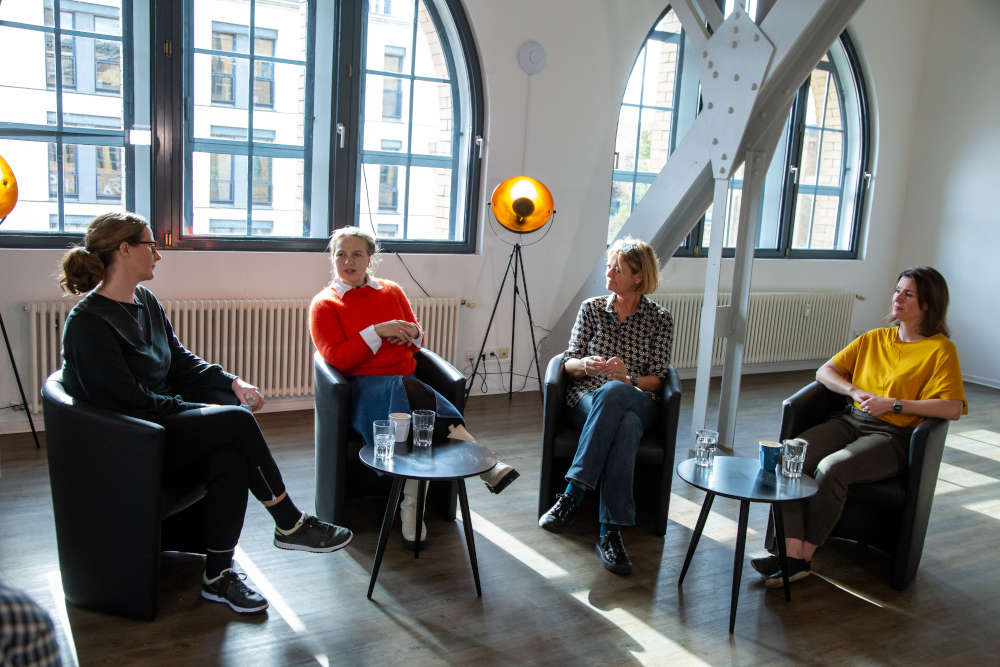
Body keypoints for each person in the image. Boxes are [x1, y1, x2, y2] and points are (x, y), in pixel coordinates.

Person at [57, 212, 352, 615]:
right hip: (130, 445)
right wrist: (199, 409)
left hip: (162, 428)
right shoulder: (87, 324)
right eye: (150, 244)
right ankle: (289, 521)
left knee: (231, 454)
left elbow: (179, 362)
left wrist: (232, 383)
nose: (158, 255)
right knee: (234, 421)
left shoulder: (144, 302)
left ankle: (218, 575)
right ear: (124, 250)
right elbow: (129, 403)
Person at [752, 266, 967, 588]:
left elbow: (951, 407)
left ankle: (803, 556)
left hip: (892, 435)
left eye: (908, 294)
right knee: (788, 459)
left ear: (928, 304)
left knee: (832, 469)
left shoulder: (940, 350)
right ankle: (789, 550)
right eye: (897, 291)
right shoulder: (874, 339)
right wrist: (854, 390)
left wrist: (893, 404)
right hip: (851, 420)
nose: (898, 298)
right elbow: (825, 372)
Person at [309, 226, 519, 549]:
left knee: (413, 404)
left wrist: (407, 332)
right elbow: (336, 359)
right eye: (340, 255)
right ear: (332, 259)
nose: (348, 262)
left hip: (407, 383)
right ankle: (480, 465)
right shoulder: (325, 304)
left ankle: (411, 506)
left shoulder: (391, 291)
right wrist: (377, 331)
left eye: (356, 254)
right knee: (411, 396)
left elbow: (420, 341)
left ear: (370, 259)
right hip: (364, 391)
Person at [538, 237, 673, 575]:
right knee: (624, 425)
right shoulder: (592, 308)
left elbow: (658, 378)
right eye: (610, 265)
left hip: (637, 397)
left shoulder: (659, 319)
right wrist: (586, 365)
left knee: (617, 393)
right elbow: (567, 363)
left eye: (618, 268)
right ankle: (609, 533)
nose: (609, 272)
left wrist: (627, 380)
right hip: (587, 398)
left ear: (639, 277)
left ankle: (572, 493)